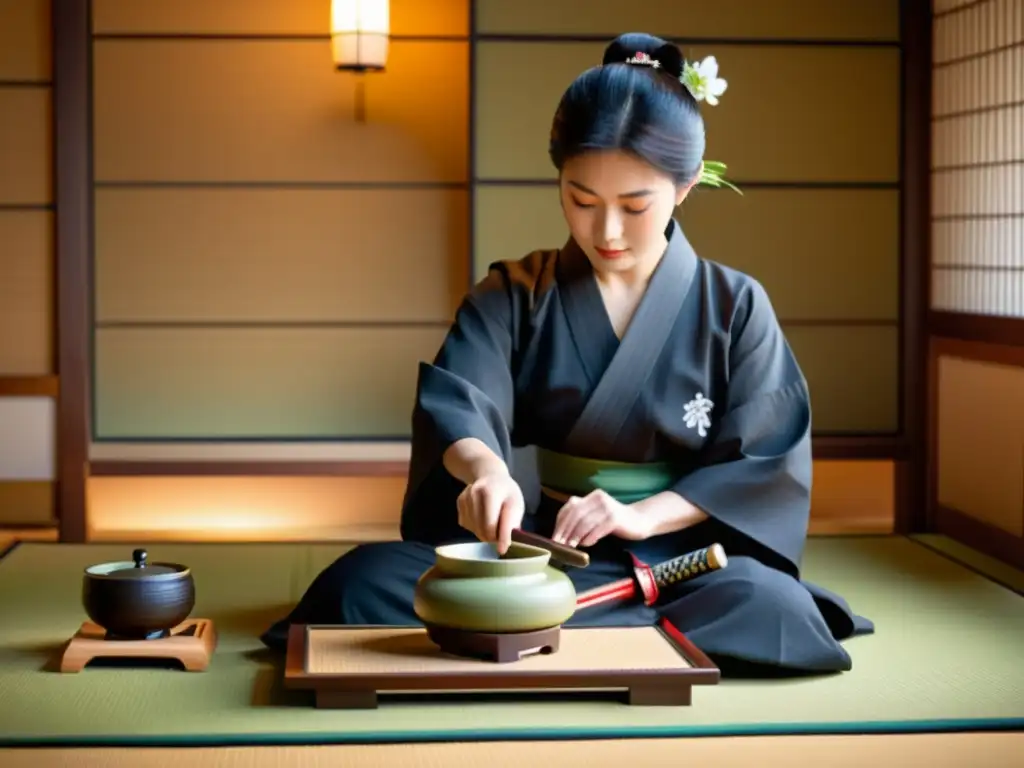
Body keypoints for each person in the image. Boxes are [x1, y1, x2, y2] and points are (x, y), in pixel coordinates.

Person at [261, 32, 874, 676]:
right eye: (582, 200)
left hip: (670, 562)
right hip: (535, 553)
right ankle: (609, 635)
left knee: (769, 606)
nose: (605, 231)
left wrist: (639, 517)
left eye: (635, 206)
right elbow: (460, 398)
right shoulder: (514, 293)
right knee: (359, 586)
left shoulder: (734, 305)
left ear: (686, 186)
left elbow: (762, 460)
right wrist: (484, 474)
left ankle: (524, 632)